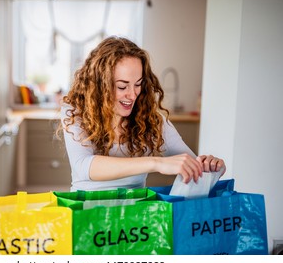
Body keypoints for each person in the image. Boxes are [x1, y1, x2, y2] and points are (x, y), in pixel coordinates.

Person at [58, 36, 225, 191]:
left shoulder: (152, 121)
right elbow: (84, 166)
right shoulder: (74, 112)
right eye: (122, 87)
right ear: (100, 86)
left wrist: (212, 166)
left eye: (138, 84)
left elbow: (191, 164)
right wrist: (156, 163)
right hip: (87, 212)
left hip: (135, 217)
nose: (132, 95)